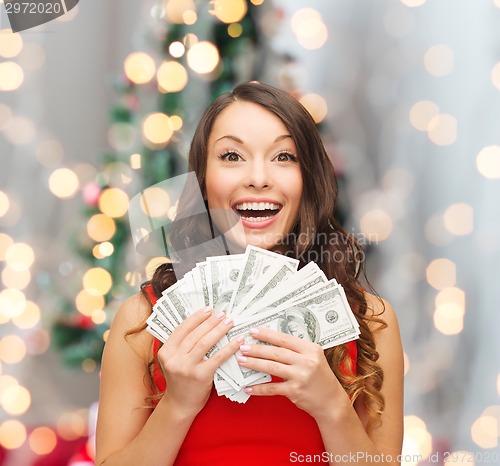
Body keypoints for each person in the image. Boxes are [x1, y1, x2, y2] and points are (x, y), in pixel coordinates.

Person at [95, 82, 404, 466]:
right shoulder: (143, 321)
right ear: (203, 181)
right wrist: (177, 405)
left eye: (284, 156)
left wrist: (332, 408)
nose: (258, 177)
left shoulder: (371, 322)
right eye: (231, 155)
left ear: (308, 179)